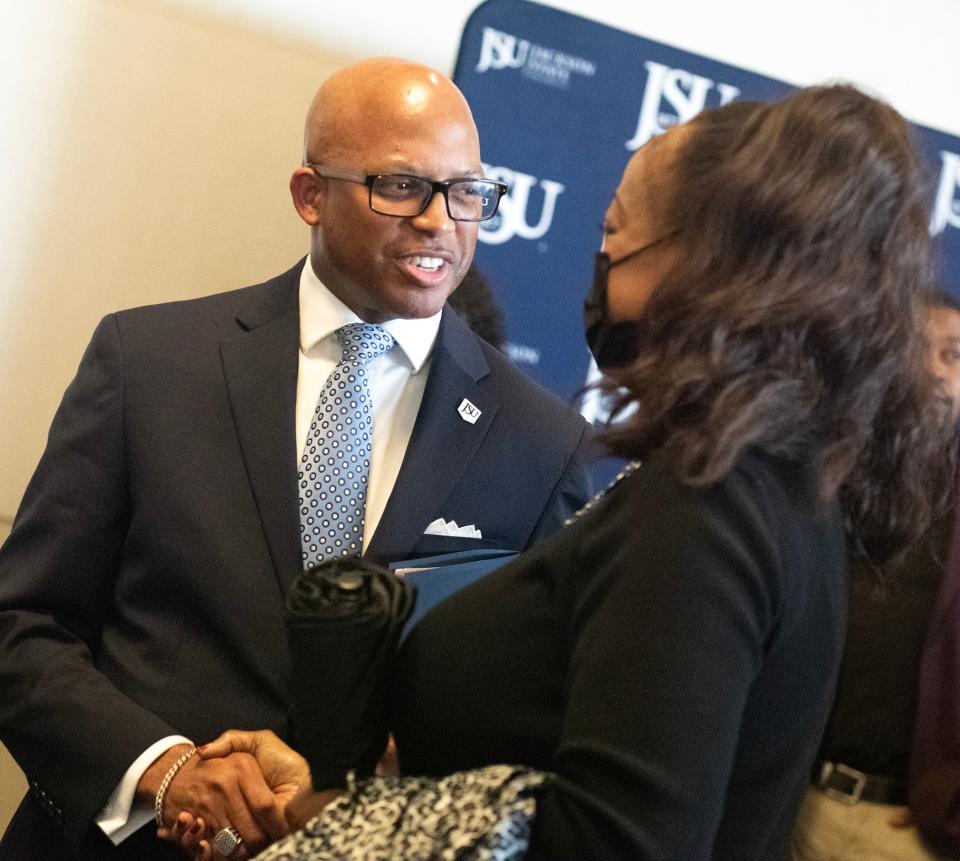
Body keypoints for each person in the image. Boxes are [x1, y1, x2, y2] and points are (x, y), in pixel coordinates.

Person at [170, 84, 952, 861]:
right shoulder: (769, 485)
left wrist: (349, 834)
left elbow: (611, 839)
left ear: (706, 268)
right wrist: (328, 803)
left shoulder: (707, 506)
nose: (600, 260)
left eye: (614, 231)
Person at [0, 57, 593, 860]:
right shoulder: (150, 361)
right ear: (310, 195)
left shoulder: (544, 442)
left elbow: (526, 719)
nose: (439, 221)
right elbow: (22, 626)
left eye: (467, 193)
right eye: (401, 186)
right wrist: (164, 770)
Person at [791, 288, 960, 860]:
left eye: (955, 355)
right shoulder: (822, 476)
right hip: (785, 806)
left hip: (906, 834)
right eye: (920, 349)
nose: (936, 371)